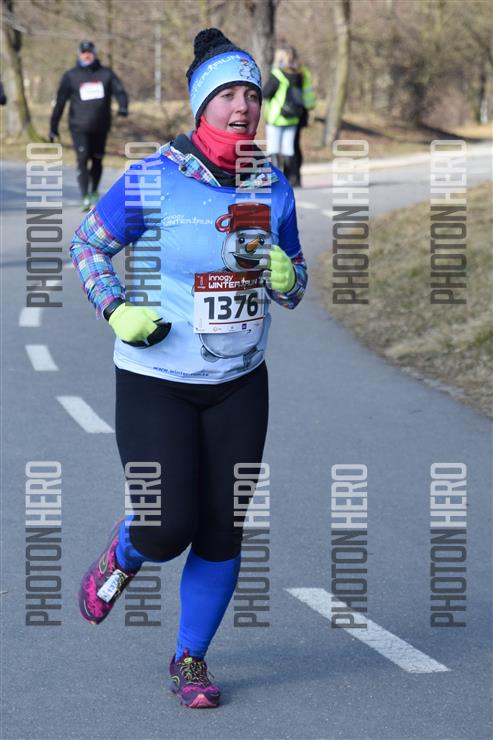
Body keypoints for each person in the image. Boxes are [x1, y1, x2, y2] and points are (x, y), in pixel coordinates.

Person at [70, 27, 307, 709]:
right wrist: (116, 309)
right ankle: (126, 549)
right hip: (156, 381)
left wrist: (287, 275)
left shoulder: (272, 185)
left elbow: (293, 288)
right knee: (165, 526)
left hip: (240, 385)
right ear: (202, 105)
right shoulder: (154, 178)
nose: (244, 107)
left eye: (251, 95)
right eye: (228, 94)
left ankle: (190, 659)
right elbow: (88, 245)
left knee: (221, 529)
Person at [49, 40, 128, 211]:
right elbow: (60, 102)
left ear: (94, 53)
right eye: (84, 53)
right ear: (79, 54)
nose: (87, 55)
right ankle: (85, 195)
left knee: (97, 160)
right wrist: (53, 126)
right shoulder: (71, 76)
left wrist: (123, 106)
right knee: (83, 159)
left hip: (101, 125)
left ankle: (93, 192)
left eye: (89, 52)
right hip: (79, 126)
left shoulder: (106, 74)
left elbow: (120, 91)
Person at [262, 46, 304, 185]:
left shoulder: (277, 74)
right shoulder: (299, 75)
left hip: (276, 118)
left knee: (273, 149)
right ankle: (291, 178)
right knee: (288, 150)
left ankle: (274, 180)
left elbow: (266, 93)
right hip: (292, 118)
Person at [290, 48, 316, 187]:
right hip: (300, 111)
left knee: (291, 146)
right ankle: (296, 176)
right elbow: (308, 92)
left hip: (290, 113)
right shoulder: (303, 71)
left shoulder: (288, 72)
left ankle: (293, 176)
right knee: (295, 145)